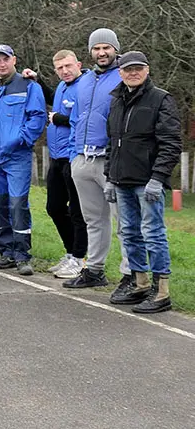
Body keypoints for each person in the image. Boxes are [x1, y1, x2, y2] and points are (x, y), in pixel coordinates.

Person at [102, 52, 181, 313]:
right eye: (128, 69)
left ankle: (161, 292)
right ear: (120, 72)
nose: (133, 73)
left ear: (147, 70)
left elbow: (170, 144)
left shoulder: (161, 99)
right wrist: (109, 177)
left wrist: (158, 178)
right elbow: (112, 141)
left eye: (138, 68)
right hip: (121, 179)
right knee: (130, 234)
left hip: (147, 182)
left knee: (153, 234)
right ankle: (139, 283)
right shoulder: (115, 101)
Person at [59, 28, 122, 290]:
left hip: (110, 160)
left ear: (115, 49)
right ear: (90, 52)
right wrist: (75, 155)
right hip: (82, 159)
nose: (102, 52)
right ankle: (94, 270)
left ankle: (131, 275)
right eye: (97, 48)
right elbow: (75, 120)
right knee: (93, 220)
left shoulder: (122, 76)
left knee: (124, 222)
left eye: (106, 47)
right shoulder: (84, 81)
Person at [0, 45, 47, 276]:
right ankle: (5, 251)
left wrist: (22, 140)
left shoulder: (29, 87)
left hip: (16, 157)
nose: (1, 64)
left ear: (13, 60)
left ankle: (22, 255)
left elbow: (37, 117)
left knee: (17, 204)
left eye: (5, 59)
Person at [25, 50, 88, 279]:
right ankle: (71, 252)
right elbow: (55, 99)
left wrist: (58, 119)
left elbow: (87, 118)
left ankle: (80, 259)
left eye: (68, 66)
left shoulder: (85, 86)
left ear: (78, 64)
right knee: (54, 207)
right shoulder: (63, 86)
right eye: (60, 68)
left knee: (78, 211)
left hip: (74, 156)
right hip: (56, 156)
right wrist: (38, 81)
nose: (65, 71)